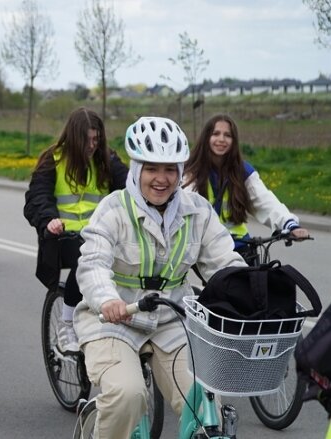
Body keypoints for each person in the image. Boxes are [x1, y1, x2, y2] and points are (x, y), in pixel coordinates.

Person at [74, 116, 247, 438]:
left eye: (170, 170)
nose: (161, 179)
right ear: (137, 169)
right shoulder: (113, 209)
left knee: (205, 401)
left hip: (173, 320)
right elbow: (93, 262)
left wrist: (250, 294)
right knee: (127, 395)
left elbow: (224, 261)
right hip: (114, 321)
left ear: (181, 172)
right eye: (152, 169)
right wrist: (107, 299)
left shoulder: (197, 210)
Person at [23, 107, 128, 353]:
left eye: (96, 139)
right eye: (86, 140)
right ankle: (67, 324)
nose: (92, 145)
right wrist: (48, 219)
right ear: (73, 137)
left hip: (102, 234)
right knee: (85, 260)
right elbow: (37, 196)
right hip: (64, 238)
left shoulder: (107, 160)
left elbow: (129, 186)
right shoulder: (53, 160)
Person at [183, 114, 309, 266]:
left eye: (227, 135)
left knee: (263, 282)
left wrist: (289, 224)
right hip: (208, 248)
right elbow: (186, 206)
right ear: (206, 137)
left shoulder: (243, 171)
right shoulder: (191, 171)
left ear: (234, 141)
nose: (221, 139)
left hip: (241, 245)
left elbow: (265, 201)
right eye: (216, 134)